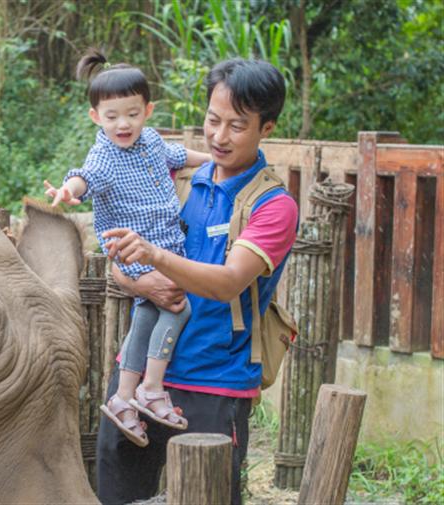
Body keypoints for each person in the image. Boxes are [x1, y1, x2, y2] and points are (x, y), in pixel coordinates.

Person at [96, 58, 299, 505]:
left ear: (266, 128)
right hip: (137, 377)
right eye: (212, 120)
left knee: (208, 497)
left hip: (215, 382)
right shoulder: (173, 180)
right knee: (116, 497)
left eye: (237, 126)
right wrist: (142, 283)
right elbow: (118, 265)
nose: (219, 136)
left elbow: (228, 283)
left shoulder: (273, 206)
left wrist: (154, 256)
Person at [44, 49, 211, 447]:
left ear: (147, 111)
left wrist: (215, 161)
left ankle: (122, 397)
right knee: (178, 306)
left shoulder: (151, 141)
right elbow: (85, 178)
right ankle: (150, 388)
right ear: (96, 117)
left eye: (132, 114)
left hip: (163, 245)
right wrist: (68, 191)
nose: (123, 124)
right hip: (132, 249)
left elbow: (179, 155)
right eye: (112, 116)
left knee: (148, 313)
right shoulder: (104, 155)